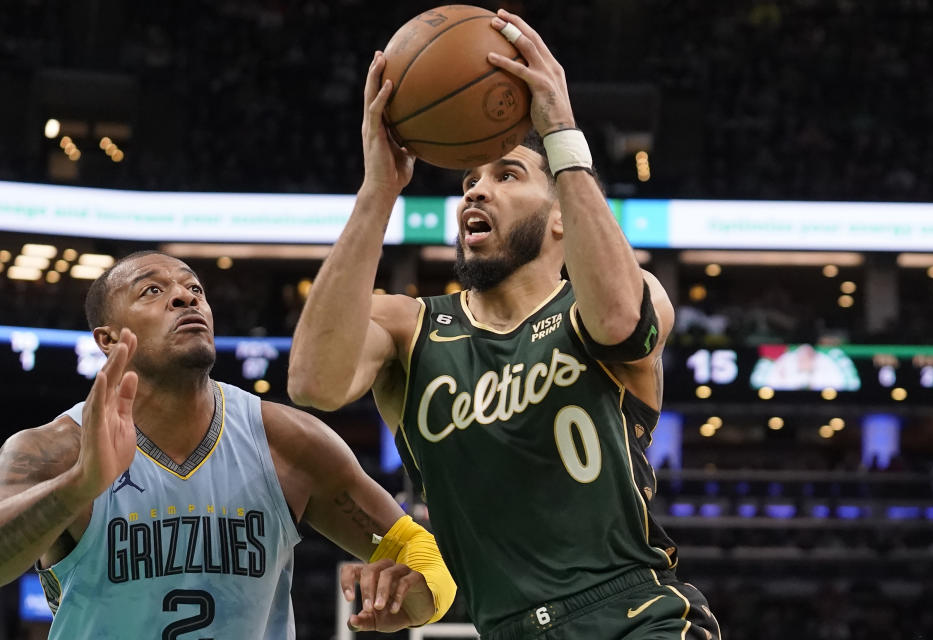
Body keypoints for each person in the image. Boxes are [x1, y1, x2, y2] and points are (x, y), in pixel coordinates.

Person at [288, 8, 720, 639]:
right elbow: (313, 384)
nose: (475, 191)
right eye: (468, 179)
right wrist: (378, 189)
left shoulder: (613, 300)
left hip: (634, 614)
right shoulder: (410, 329)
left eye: (506, 174)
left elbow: (624, 322)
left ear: (560, 217)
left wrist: (561, 130)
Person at [0, 251, 455, 638]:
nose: (185, 297)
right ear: (108, 338)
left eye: (194, 289)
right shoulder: (54, 449)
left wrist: (420, 599)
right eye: (152, 291)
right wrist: (80, 484)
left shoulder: (287, 442)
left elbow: (428, 556)